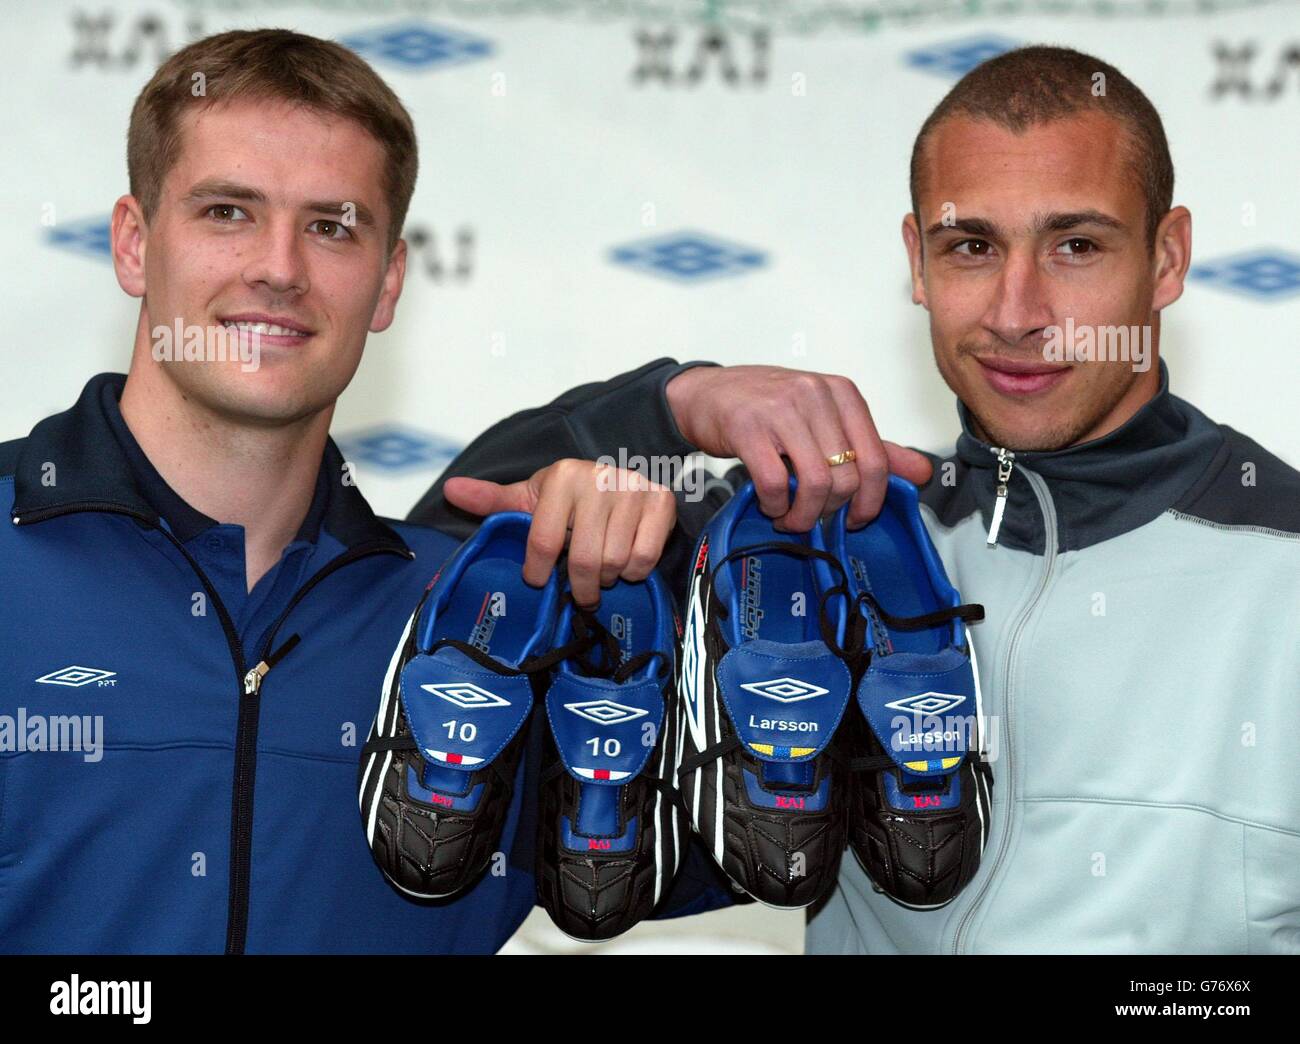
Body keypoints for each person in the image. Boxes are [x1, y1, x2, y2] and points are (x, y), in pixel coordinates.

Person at [412, 46, 1300, 953]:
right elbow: (420, 569)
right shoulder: (815, 538)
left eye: (1076, 245)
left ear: (1167, 257)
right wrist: (667, 404)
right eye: (972, 247)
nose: (1017, 309)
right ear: (918, 262)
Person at [0, 28, 733, 955]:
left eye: (331, 226)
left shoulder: (485, 625)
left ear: (388, 283)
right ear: (136, 245)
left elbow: (778, 834)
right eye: (227, 211)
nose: (278, 267)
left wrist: (676, 553)